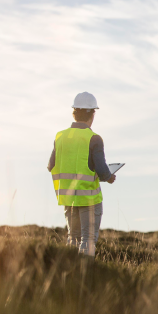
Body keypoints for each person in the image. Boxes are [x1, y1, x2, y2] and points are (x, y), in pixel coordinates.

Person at [48, 92, 116, 256]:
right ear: (92, 114)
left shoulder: (60, 136)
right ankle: (84, 271)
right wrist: (110, 176)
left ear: (74, 113)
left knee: (73, 238)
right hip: (89, 199)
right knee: (88, 239)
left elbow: (51, 166)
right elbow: (103, 172)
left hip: (68, 199)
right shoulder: (94, 139)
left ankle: (70, 270)